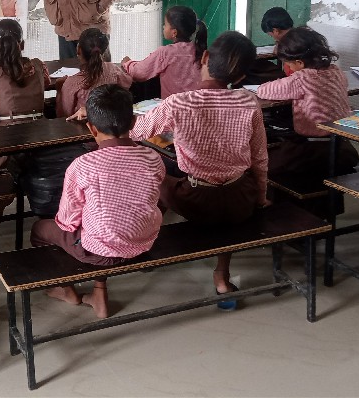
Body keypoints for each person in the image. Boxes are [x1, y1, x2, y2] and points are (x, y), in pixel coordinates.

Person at [78, 31, 267, 309]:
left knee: (154, 177)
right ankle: (222, 276)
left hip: (198, 200)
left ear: (204, 57)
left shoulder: (180, 102)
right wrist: (260, 197)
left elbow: (135, 131)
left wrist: (99, 115)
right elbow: (259, 158)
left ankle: (141, 244)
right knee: (222, 205)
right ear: (240, 77)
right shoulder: (249, 102)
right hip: (241, 198)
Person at [33, 84, 163, 318]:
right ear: (133, 122)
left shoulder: (83, 166)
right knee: (100, 223)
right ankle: (98, 293)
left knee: (41, 230)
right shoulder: (152, 158)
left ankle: (66, 289)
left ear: (91, 128)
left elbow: (67, 221)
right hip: (143, 241)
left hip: (99, 252)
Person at [256, 26, 359, 178]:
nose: (289, 68)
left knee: (263, 167)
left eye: (289, 64)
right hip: (343, 147)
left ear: (300, 63)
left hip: (314, 149)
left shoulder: (302, 79)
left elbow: (264, 90)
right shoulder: (336, 72)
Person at [0, 19, 54, 127]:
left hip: (8, 130)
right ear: (22, 45)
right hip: (40, 126)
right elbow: (46, 83)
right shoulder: (39, 65)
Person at [122, 5, 206, 99]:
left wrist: (127, 63)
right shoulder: (201, 51)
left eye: (165, 24)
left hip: (172, 106)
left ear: (174, 32)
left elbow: (139, 73)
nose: (163, 27)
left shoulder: (166, 53)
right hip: (197, 105)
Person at [57, 28, 132, 117]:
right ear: (104, 50)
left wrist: (59, 90)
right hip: (111, 120)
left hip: (84, 125)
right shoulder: (114, 70)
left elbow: (63, 115)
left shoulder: (72, 83)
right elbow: (128, 83)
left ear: (78, 50)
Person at [244, 7, 294, 85]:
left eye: (271, 35)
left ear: (276, 31)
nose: (273, 38)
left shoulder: (290, 45)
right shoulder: (298, 34)